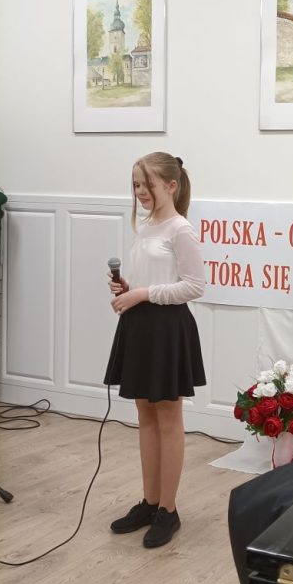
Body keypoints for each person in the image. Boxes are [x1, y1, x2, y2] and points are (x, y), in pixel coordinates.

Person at [104, 152, 206, 548]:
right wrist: (129, 289)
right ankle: (149, 502)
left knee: (168, 418)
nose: (140, 192)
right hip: (140, 326)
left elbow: (195, 286)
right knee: (144, 415)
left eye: (146, 184)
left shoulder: (181, 230)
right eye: (135, 185)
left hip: (167, 330)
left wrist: (143, 293)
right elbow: (155, 278)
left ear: (171, 186)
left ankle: (168, 509)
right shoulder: (146, 226)